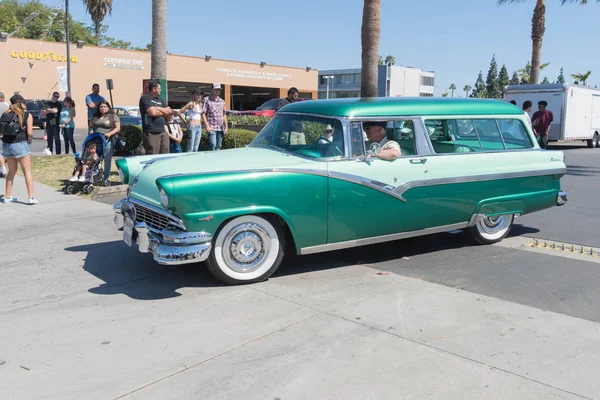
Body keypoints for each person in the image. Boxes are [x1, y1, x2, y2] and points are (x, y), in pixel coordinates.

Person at [1, 94, 38, 204]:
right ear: (20, 103)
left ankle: (7, 197)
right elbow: (30, 132)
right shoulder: (27, 115)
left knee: (11, 172)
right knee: (27, 171)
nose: (25, 104)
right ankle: (31, 198)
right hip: (20, 144)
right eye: (24, 102)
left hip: (7, 144)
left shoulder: (5, 114)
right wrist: (30, 139)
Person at [90, 101, 120, 182]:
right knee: (95, 158)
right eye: (101, 107)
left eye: (104, 106)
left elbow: (118, 128)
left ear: (108, 107)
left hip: (108, 140)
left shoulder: (113, 116)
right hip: (96, 140)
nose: (102, 108)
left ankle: (105, 178)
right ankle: (95, 176)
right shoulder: (95, 116)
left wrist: (110, 133)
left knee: (107, 159)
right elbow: (91, 126)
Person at [139, 81, 171, 154]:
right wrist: (163, 112)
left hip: (163, 131)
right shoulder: (145, 98)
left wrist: (158, 109)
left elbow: (169, 111)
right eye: (159, 88)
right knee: (153, 153)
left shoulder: (159, 99)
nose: (160, 90)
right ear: (154, 89)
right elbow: (153, 113)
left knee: (165, 153)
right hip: (152, 132)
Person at [202, 83, 228, 151]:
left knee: (218, 146)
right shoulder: (206, 99)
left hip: (220, 128)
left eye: (218, 90)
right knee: (212, 144)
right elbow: (203, 113)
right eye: (216, 89)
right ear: (212, 90)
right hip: (212, 128)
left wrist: (226, 127)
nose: (217, 91)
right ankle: (210, 160)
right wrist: (207, 126)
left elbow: (224, 114)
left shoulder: (222, 101)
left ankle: (217, 161)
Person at [0, 91, 8, 178]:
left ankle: (3, 169)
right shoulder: (8, 106)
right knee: (4, 152)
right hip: (7, 132)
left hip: (1, 131)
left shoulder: (2, 105)